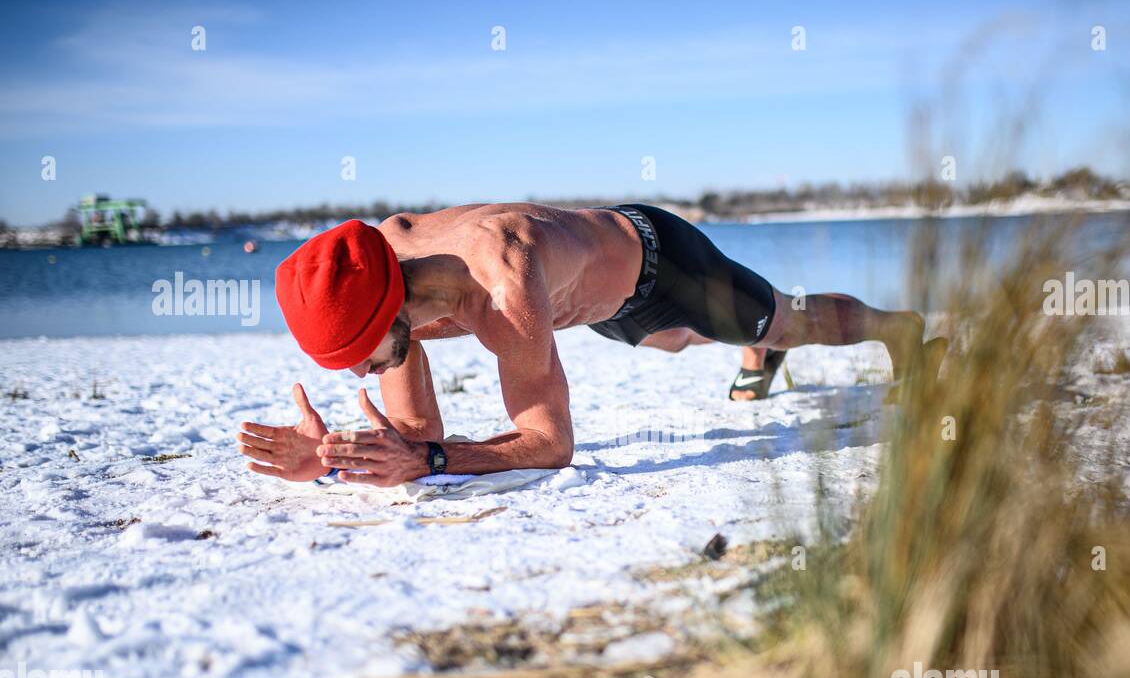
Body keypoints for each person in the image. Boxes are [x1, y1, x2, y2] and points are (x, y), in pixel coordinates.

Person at [238, 204, 926, 484]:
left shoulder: (503, 285)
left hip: (665, 266)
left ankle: (898, 328)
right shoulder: (382, 268)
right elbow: (414, 433)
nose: (360, 371)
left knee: (782, 320)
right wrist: (335, 457)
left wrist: (434, 460)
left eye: (365, 353)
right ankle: (749, 348)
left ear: (396, 304)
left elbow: (550, 444)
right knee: (677, 345)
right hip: (587, 304)